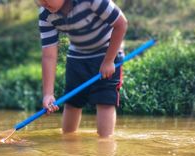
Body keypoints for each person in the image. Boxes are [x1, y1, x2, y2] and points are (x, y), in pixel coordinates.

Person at [37, 0, 128, 138]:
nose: (43, 3)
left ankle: (105, 143)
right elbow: (49, 55)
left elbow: (121, 24)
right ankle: (68, 140)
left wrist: (109, 61)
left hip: (107, 52)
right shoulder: (45, 14)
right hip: (77, 56)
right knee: (72, 102)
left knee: (105, 101)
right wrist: (48, 94)